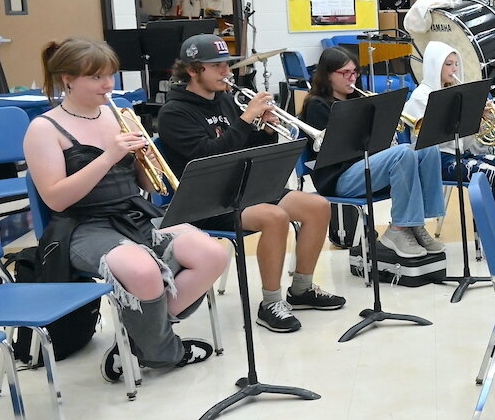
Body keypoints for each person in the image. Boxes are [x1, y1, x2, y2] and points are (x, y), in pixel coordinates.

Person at [23, 39, 229, 380]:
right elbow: (57, 199)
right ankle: (164, 352)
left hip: (132, 214)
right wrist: (109, 156)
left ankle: (139, 340)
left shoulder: (119, 115)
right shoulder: (44, 129)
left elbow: (147, 186)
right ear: (67, 80)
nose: (109, 85)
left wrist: (143, 160)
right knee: (144, 272)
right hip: (80, 226)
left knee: (211, 255)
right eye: (97, 78)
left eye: (111, 75)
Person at [155, 35, 345, 333]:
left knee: (317, 205)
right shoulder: (174, 113)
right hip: (204, 201)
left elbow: (247, 147)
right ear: (192, 70)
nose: (226, 73)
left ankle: (302, 289)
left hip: (243, 187)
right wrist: (246, 119)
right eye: (216, 66)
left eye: (226, 66)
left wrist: (265, 128)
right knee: (274, 217)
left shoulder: (226, 100)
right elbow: (208, 157)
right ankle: (270, 302)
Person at [299, 46, 446, 261]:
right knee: (403, 153)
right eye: (345, 73)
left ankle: (416, 223)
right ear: (327, 75)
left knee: (428, 148)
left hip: (365, 167)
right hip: (338, 177)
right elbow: (336, 152)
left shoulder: (357, 100)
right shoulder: (317, 106)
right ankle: (398, 229)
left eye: (355, 72)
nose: (352, 78)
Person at [402, 40, 495, 223]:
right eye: (448, 64)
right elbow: (432, 140)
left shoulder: (455, 93)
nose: (454, 69)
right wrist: (464, 116)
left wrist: (476, 121)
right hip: (438, 161)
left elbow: (465, 144)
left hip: (462, 155)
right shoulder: (421, 96)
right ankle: (489, 241)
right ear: (434, 66)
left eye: (456, 64)